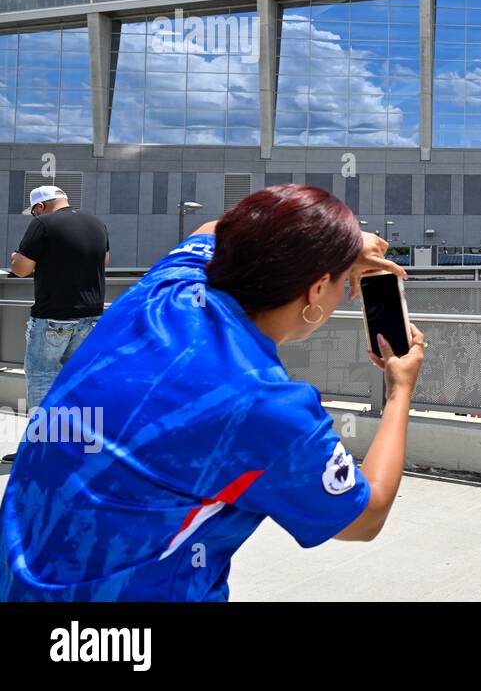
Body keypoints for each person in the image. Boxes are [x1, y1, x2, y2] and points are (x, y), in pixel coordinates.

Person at [0, 184, 425, 601]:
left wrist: (342, 248)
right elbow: (365, 516)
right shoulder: (264, 404)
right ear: (316, 291)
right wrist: (399, 389)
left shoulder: (170, 285)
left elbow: (214, 227)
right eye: (341, 283)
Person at [3, 185, 110, 465]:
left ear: (40, 207)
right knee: (80, 380)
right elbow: (103, 260)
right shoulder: (96, 223)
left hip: (53, 318)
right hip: (92, 318)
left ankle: (41, 451)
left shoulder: (43, 223)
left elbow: (21, 269)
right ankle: (83, 446)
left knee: (41, 379)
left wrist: (17, 257)